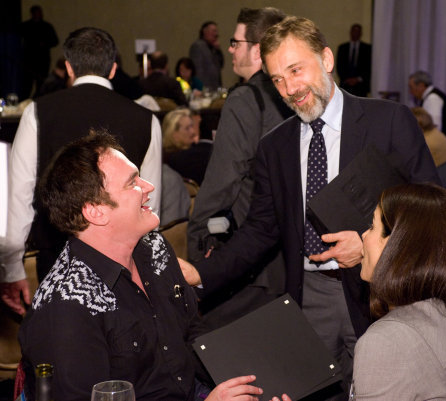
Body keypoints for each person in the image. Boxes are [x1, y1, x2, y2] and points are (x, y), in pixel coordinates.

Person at [181, 16, 439, 400]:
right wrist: (200, 274)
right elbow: (259, 231)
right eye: (277, 79)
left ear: (327, 60)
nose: (289, 88)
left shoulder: (388, 122)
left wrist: (375, 248)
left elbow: (434, 210)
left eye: (296, 70)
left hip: (379, 293)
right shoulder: (275, 146)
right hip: (307, 297)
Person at [18, 131, 268, 401]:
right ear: (96, 211)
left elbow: (191, 329)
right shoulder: (66, 306)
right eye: (132, 183)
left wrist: (250, 385)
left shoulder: (153, 247)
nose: (148, 186)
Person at [0, 27, 162, 316]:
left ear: (68, 67)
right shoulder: (146, 119)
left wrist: (12, 268)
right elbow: (149, 205)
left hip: (55, 259)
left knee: (61, 349)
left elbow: (19, 196)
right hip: (123, 264)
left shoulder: (38, 111)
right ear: (113, 69)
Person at [187, 7, 293, 332]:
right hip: (290, 259)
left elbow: (222, 183)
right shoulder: (295, 94)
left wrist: (197, 245)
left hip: (247, 265)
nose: (230, 49)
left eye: (236, 42)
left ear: (258, 50)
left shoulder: (246, 99)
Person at [353, 183, 446, 401]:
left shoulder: (386, 342)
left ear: (399, 247)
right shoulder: (442, 310)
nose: (363, 235)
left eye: (372, 226)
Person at [20, 5, 59, 99]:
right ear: (32, 14)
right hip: (29, 60)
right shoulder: (26, 26)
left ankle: (39, 103)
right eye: (37, 13)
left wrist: (45, 44)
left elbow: (55, 41)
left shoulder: (46, 26)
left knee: (41, 85)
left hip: (42, 61)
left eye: (40, 13)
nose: (39, 15)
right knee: (27, 85)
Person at [408, 70, 446, 143]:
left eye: (411, 87)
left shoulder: (432, 99)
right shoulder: (431, 97)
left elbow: (435, 127)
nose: (410, 91)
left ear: (421, 85)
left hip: (438, 145)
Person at [336, 23, 371, 97]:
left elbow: (368, 67)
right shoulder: (343, 48)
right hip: (345, 85)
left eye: (358, 31)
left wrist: (358, 79)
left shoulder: (367, 49)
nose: (355, 33)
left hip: (361, 87)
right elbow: (339, 66)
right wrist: (347, 79)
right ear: (350, 32)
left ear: (361, 33)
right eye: (354, 31)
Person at [189, 21, 224, 91]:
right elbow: (197, 70)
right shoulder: (198, 46)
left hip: (215, 88)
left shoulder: (213, 48)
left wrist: (218, 50)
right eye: (213, 31)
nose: (216, 34)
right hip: (204, 89)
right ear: (205, 31)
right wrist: (201, 88)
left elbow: (221, 64)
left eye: (216, 31)